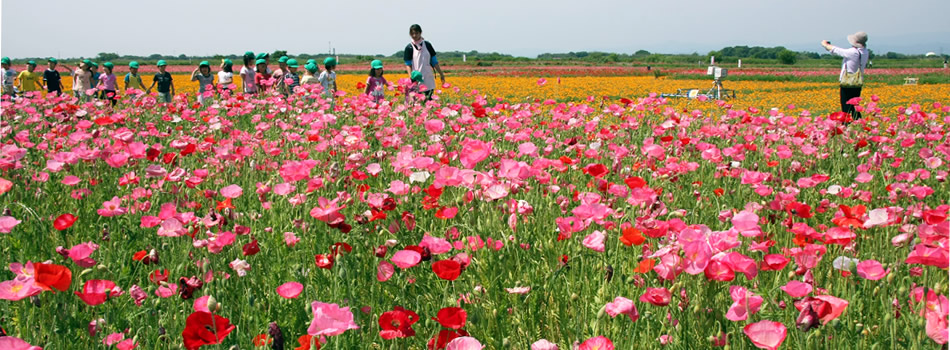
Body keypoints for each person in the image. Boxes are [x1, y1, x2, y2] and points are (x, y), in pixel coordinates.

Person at [822, 31, 868, 121]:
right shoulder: (865, 52)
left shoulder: (852, 52)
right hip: (857, 83)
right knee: (855, 107)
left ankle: (847, 125)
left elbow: (835, 50)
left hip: (847, 83)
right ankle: (859, 123)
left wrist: (825, 44)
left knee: (846, 107)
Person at [403, 24, 445, 100]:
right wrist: (410, 76)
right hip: (415, 78)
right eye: (412, 34)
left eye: (416, 33)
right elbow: (408, 64)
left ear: (420, 33)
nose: (414, 35)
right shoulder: (409, 47)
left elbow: (434, 61)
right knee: (417, 102)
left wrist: (441, 74)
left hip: (428, 77)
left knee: (429, 101)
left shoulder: (427, 45)